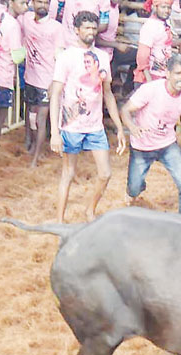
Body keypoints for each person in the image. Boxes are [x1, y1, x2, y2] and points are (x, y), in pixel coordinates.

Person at [50, 10, 126, 223]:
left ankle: (89, 210)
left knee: (105, 174)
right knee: (68, 173)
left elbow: (108, 93)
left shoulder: (102, 57)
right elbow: (55, 93)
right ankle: (59, 220)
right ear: (77, 30)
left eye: (94, 28)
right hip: (71, 125)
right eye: (87, 28)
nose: (91, 32)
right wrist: (55, 132)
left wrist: (119, 127)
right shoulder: (66, 57)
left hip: (95, 126)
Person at [121, 54, 181, 217]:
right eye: (178, 73)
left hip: (167, 145)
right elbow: (125, 110)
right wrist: (132, 127)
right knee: (134, 188)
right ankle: (136, 187)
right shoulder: (150, 90)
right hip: (142, 146)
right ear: (168, 74)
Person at [21, 0, 65, 168]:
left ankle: (36, 157)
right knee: (31, 115)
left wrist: (55, 81)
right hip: (30, 78)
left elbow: (60, 57)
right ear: (32, 2)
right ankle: (31, 143)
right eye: (39, 1)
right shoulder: (25, 19)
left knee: (41, 119)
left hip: (46, 81)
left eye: (46, 2)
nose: (43, 6)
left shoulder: (56, 28)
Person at [0, 0, 27, 169]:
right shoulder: (14, 25)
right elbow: (17, 57)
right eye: (23, 3)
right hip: (2, 77)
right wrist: (24, 49)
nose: (26, 6)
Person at [134, 0, 173, 86]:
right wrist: (149, 80)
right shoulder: (150, 26)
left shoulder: (164, 23)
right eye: (163, 7)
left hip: (162, 73)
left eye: (169, 7)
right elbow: (142, 55)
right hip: (150, 76)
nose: (166, 10)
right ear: (155, 7)